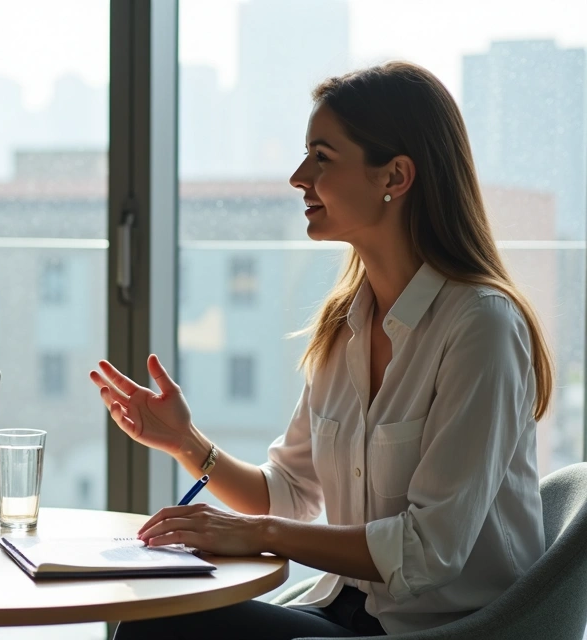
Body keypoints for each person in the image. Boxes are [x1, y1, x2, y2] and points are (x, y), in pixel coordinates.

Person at [92, 61, 551, 639]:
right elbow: (287, 494)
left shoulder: (481, 326)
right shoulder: (345, 324)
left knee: (157, 630)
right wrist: (188, 443)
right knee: (157, 614)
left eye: (322, 157)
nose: (298, 176)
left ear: (395, 176)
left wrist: (256, 536)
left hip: (443, 630)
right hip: (346, 612)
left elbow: (431, 549)